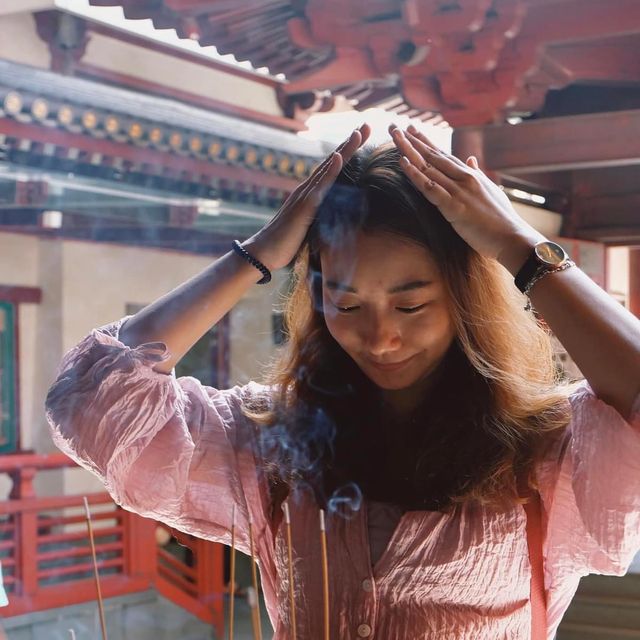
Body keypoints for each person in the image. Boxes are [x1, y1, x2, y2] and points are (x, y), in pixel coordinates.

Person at [45, 124, 640, 639]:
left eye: (411, 306)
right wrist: (254, 257)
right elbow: (93, 400)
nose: (380, 338)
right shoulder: (277, 441)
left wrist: (520, 248)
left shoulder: (543, 449)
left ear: (464, 298)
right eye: (346, 305)